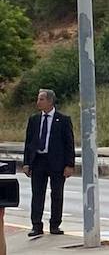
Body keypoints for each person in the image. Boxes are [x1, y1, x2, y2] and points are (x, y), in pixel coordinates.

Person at [21, 89, 75, 238]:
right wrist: (26, 163)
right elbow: (29, 143)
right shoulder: (34, 120)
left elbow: (69, 143)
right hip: (38, 161)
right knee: (37, 193)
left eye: (41, 99)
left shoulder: (63, 120)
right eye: (38, 99)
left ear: (50, 101)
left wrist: (70, 164)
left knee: (57, 194)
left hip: (56, 162)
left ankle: (55, 224)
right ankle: (36, 225)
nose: (38, 102)